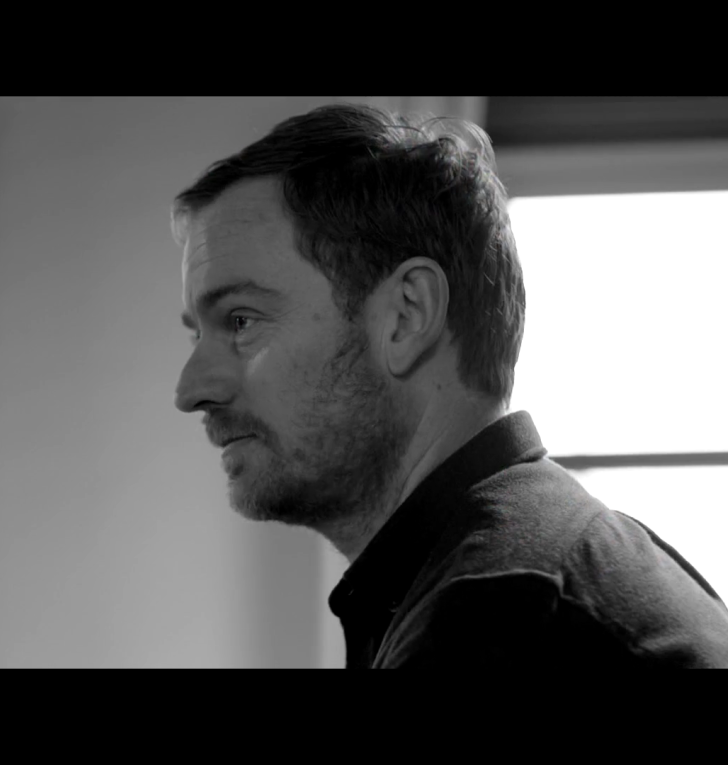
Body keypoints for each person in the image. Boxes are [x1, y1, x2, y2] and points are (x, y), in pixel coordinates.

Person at [170, 103, 728, 668]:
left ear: (407, 315)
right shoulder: (543, 567)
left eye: (241, 321)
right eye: (197, 333)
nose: (191, 390)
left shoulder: (498, 617)